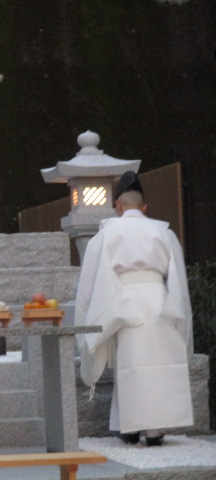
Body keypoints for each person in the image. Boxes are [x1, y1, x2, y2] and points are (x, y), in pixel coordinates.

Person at [75, 170, 194, 446]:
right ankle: (154, 430)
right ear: (144, 207)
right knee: (158, 365)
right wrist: (177, 311)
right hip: (160, 300)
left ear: (118, 206)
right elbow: (178, 277)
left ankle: (129, 427)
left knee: (129, 365)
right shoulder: (163, 232)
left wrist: (90, 320)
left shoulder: (106, 234)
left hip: (122, 302)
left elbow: (89, 284)